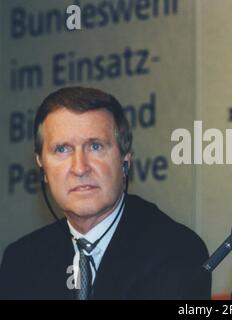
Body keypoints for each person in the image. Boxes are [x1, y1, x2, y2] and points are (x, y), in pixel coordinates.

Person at [0, 87, 211, 300]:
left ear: (125, 160)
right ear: (42, 166)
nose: (80, 168)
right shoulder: (20, 262)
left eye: (95, 146)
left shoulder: (177, 252)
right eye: (62, 149)